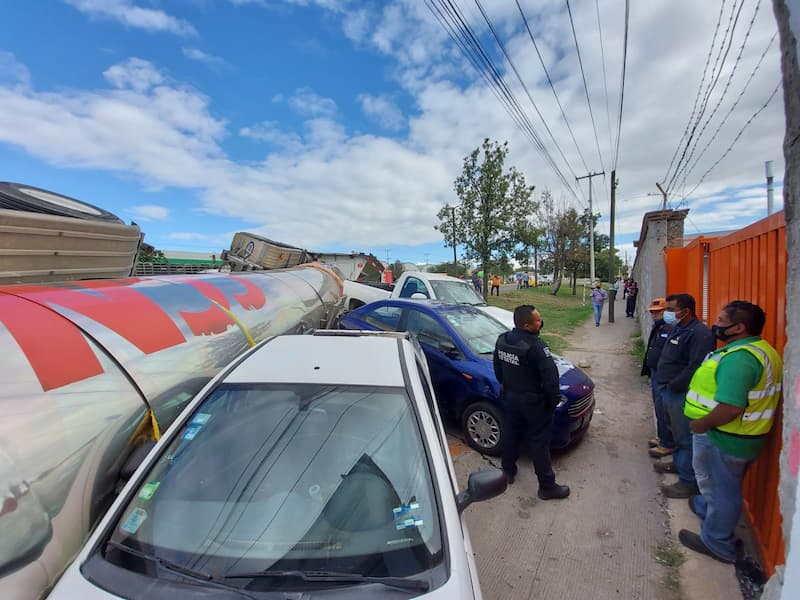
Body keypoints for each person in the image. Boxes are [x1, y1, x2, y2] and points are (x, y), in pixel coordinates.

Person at [679, 301, 782, 564]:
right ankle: (707, 508)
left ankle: (717, 541)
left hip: (726, 435)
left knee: (723, 489)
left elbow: (731, 407)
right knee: (719, 485)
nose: (716, 324)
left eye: (722, 320)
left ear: (739, 327)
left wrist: (699, 425)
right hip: (743, 435)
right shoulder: (761, 349)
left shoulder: (739, 360)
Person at [493, 305, 569, 500]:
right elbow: (551, 380)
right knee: (539, 443)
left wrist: (507, 386)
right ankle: (547, 486)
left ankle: (507, 471)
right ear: (527, 325)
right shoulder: (537, 347)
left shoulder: (502, 340)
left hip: (511, 398)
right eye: (537, 320)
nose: (540, 322)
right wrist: (551, 403)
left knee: (511, 434)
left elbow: (498, 369)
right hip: (533, 403)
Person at [655, 293, 716, 498]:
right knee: (675, 433)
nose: (667, 313)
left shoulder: (700, 334)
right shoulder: (679, 328)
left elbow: (695, 366)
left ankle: (688, 481)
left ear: (685, 311)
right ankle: (679, 465)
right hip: (667, 389)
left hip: (680, 393)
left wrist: (674, 385)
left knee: (685, 437)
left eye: (671, 309)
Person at [641, 298, 675, 461]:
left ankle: (667, 443)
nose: (654, 315)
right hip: (655, 372)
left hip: (664, 376)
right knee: (658, 406)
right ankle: (662, 437)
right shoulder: (659, 326)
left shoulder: (671, 328)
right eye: (653, 312)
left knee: (663, 409)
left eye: (658, 312)